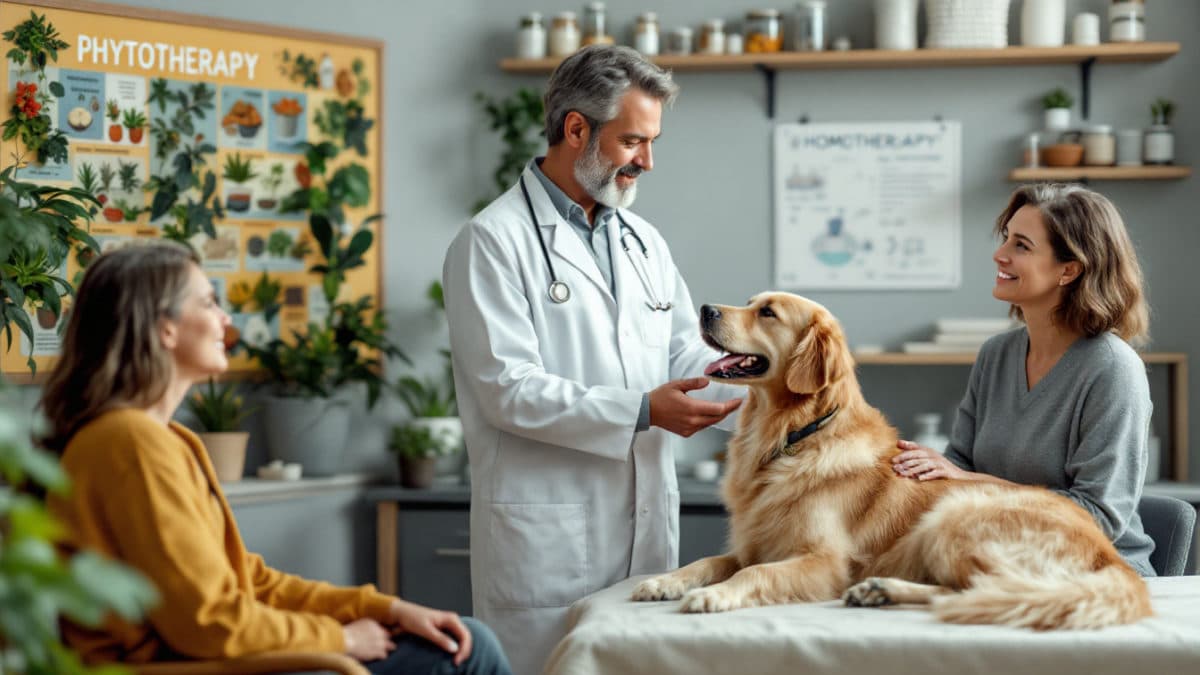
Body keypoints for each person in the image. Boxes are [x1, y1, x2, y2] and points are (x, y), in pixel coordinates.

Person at [41, 241, 512, 674]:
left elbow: (248, 582)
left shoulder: (163, 438)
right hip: (193, 667)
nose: (225, 319)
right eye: (208, 302)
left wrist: (383, 610)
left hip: (220, 657)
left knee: (465, 638)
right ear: (163, 327)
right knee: (466, 652)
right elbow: (211, 623)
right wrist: (341, 639)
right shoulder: (130, 443)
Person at [442, 45, 744, 673]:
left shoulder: (641, 240)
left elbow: (683, 352)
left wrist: (770, 392)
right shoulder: (492, 242)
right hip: (548, 546)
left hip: (645, 532)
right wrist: (641, 411)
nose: (648, 162)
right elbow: (508, 389)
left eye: (652, 141)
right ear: (575, 128)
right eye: (633, 141)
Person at [891, 183, 1156, 576]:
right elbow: (957, 466)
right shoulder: (996, 355)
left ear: (1069, 269)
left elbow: (1098, 518)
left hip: (1096, 575)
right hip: (1005, 560)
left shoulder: (1114, 370)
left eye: (1022, 245)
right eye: (1005, 239)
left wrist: (971, 481)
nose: (1000, 254)